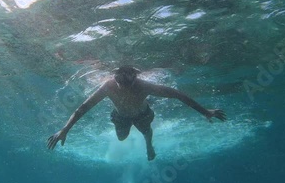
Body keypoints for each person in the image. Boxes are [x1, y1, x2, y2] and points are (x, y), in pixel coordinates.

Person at [47, 65, 226, 161]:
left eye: (128, 84)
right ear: (115, 78)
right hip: (121, 116)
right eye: (120, 84)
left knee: (146, 131)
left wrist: (205, 111)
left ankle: (149, 145)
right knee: (122, 137)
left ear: (135, 79)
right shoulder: (107, 86)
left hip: (143, 114)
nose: (124, 88)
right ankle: (140, 137)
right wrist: (65, 129)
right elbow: (83, 108)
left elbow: (178, 95)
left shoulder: (144, 86)